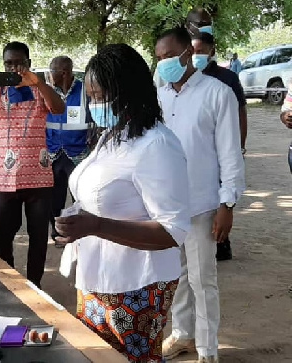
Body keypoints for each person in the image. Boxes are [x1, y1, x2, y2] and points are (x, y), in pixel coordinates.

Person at [55, 43, 190, 363]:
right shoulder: (110, 135)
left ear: (129, 91)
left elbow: (173, 231)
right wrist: (77, 223)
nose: (95, 105)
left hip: (136, 286)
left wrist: (96, 225)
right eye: (92, 98)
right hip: (95, 277)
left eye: (102, 97)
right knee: (96, 357)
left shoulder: (156, 144)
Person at [155, 27, 245, 363]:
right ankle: (182, 335)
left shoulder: (217, 93)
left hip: (204, 205)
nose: (163, 63)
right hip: (166, 207)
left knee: (203, 280)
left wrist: (228, 204)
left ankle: (208, 350)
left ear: (187, 54)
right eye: (159, 58)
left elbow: (230, 155)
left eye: (168, 56)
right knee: (174, 276)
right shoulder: (160, 95)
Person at [0, 41, 65, 287]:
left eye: (19, 62)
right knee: (2, 233)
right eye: (9, 63)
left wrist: (37, 82)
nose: (14, 67)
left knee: (38, 236)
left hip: (39, 176)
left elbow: (59, 109)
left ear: (28, 63)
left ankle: (34, 284)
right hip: (5, 178)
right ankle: (9, 282)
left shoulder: (41, 89)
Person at [192, 32, 248, 261]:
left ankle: (221, 244)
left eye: (200, 51)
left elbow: (241, 111)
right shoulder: (185, 80)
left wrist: (240, 146)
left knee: (221, 197)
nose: (196, 56)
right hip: (199, 154)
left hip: (221, 148)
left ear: (211, 52)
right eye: (192, 52)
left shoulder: (227, 79)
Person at [46, 56, 90, 248]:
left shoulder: (85, 91)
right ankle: (58, 234)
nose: (49, 75)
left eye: (52, 71)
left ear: (63, 73)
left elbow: (95, 119)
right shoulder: (47, 92)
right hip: (54, 153)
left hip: (79, 154)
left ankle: (78, 234)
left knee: (79, 199)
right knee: (54, 200)